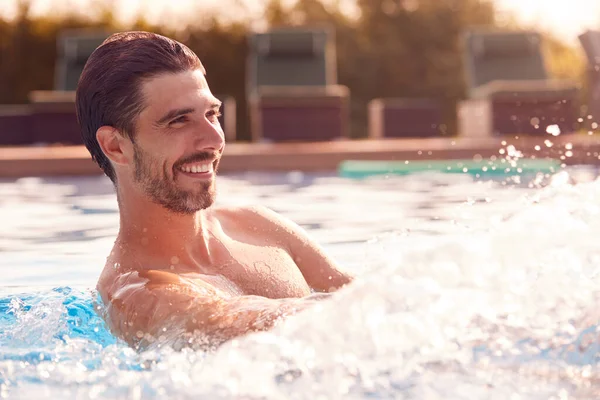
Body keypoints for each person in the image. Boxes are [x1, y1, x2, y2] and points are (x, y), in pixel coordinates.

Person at [76, 31, 353, 350]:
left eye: (211, 114)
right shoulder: (137, 294)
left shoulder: (253, 224)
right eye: (179, 121)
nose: (214, 139)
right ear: (116, 146)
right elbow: (291, 328)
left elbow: (355, 292)